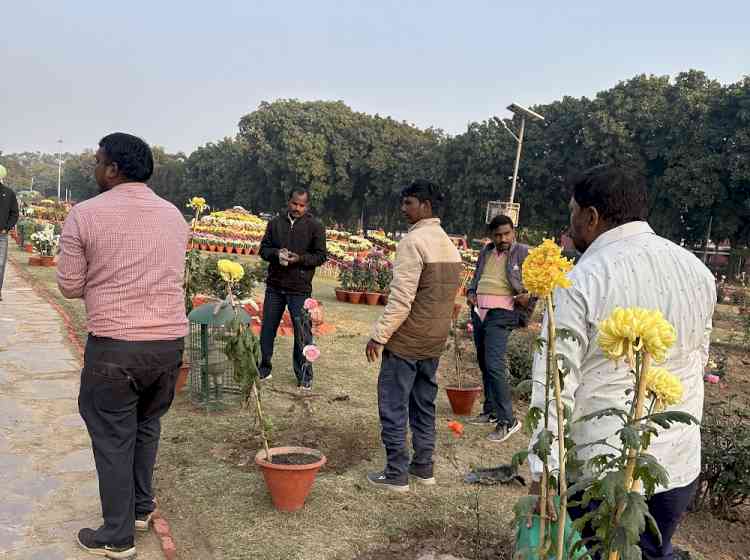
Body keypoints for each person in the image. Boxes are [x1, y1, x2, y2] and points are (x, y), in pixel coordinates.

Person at [527, 164, 715, 559]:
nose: (572, 224)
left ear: (591, 217)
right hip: (676, 465)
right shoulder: (698, 271)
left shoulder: (581, 280)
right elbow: (699, 358)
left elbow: (555, 383)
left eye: (572, 214)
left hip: (603, 471)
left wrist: (543, 473)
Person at [57, 133, 189, 559]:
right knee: (147, 425)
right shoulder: (174, 217)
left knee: (114, 435)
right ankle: (139, 508)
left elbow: (69, 285)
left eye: (98, 161)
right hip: (167, 344)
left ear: (113, 169)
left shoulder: (86, 215)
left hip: (116, 346)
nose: (94, 168)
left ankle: (117, 535)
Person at [365, 179, 463, 492]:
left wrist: (379, 336)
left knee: (394, 405)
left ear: (425, 206)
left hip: (407, 341)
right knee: (424, 405)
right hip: (434, 340)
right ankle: (423, 466)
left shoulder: (413, 241)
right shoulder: (449, 245)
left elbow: (401, 299)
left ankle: (396, 473)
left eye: (408, 202)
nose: (403, 209)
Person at [465, 214, 535, 442]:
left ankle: (509, 420)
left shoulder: (523, 252)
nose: (502, 238)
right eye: (497, 235)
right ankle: (491, 411)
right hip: (479, 312)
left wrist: (529, 297)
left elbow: (541, 283)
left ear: (513, 232)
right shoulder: (486, 251)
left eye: (506, 233)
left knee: (494, 364)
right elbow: (476, 278)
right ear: (491, 236)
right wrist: (471, 293)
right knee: (485, 362)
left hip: (503, 313)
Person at [259, 188, 327, 389]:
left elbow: (321, 256)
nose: (297, 208)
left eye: (302, 205)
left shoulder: (315, 226)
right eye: (294, 203)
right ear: (289, 202)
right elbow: (263, 249)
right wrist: (276, 254)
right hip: (275, 286)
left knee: (303, 333)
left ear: (308, 206)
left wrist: (300, 259)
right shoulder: (275, 223)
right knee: (267, 330)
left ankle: (304, 376)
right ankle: (263, 369)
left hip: (300, 288)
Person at [0, 164, 19, 301]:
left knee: (0, 264)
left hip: (1, 235)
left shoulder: (9, 193)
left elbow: (14, 213)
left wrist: (6, 228)